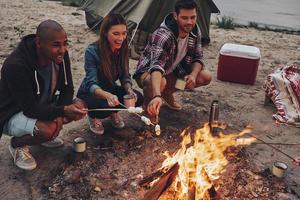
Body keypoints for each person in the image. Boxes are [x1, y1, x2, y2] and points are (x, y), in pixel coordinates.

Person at [0, 20, 87, 170]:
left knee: (80, 106)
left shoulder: (60, 56)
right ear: (39, 42)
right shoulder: (16, 65)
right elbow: (30, 109)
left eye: (65, 43)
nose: (62, 50)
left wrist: (60, 113)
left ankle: (45, 136)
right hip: (11, 113)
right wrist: (62, 111)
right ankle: (17, 145)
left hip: (41, 105)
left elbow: (67, 89)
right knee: (47, 129)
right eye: (56, 45)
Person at [133, 0, 211, 122]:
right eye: (184, 18)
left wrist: (193, 75)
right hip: (148, 73)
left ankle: (167, 93)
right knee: (160, 82)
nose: (189, 22)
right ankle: (149, 106)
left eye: (193, 17)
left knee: (205, 76)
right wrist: (157, 95)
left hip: (172, 72)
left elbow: (198, 57)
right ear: (175, 16)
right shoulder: (164, 35)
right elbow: (156, 67)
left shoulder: (195, 30)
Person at [77, 13, 143, 135]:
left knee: (138, 98)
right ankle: (93, 117)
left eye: (124, 33)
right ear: (105, 33)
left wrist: (129, 90)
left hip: (110, 89)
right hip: (91, 92)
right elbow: (91, 83)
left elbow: (125, 76)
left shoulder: (123, 49)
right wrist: (107, 95)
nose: (121, 38)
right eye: (116, 34)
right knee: (104, 108)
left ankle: (113, 113)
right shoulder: (92, 51)